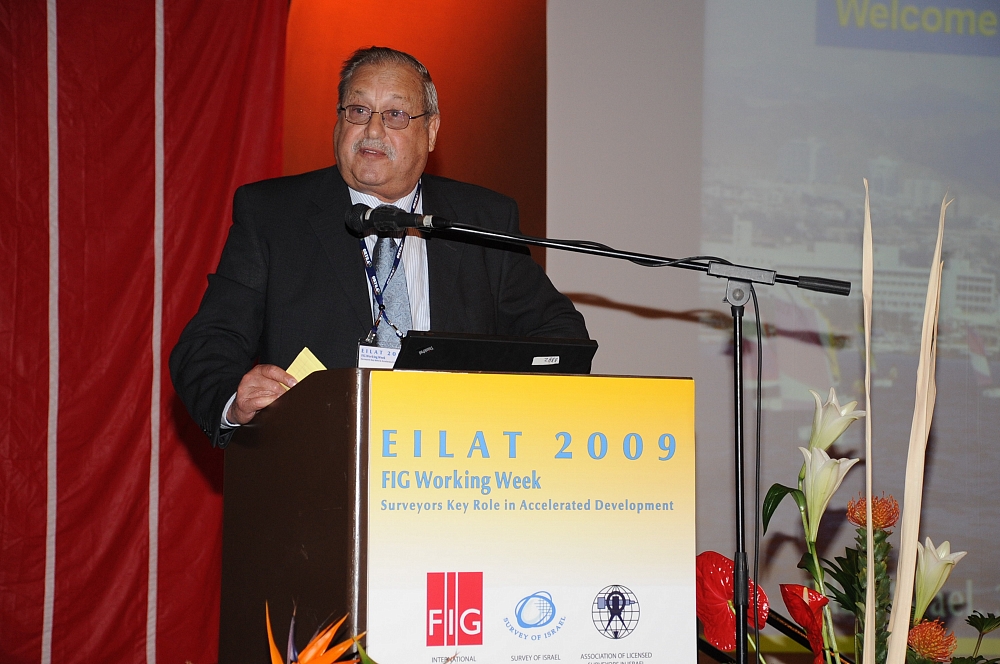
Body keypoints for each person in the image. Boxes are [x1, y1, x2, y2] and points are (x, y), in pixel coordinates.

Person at [170, 46, 588, 448]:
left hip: (457, 465)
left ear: (431, 131)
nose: (372, 130)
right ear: (338, 121)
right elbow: (208, 345)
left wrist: (493, 407)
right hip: (315, 464)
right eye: (358, 110)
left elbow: (560, 337)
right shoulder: (273, 216)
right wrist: (235, 402)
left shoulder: (481, 219)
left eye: (395, 115)